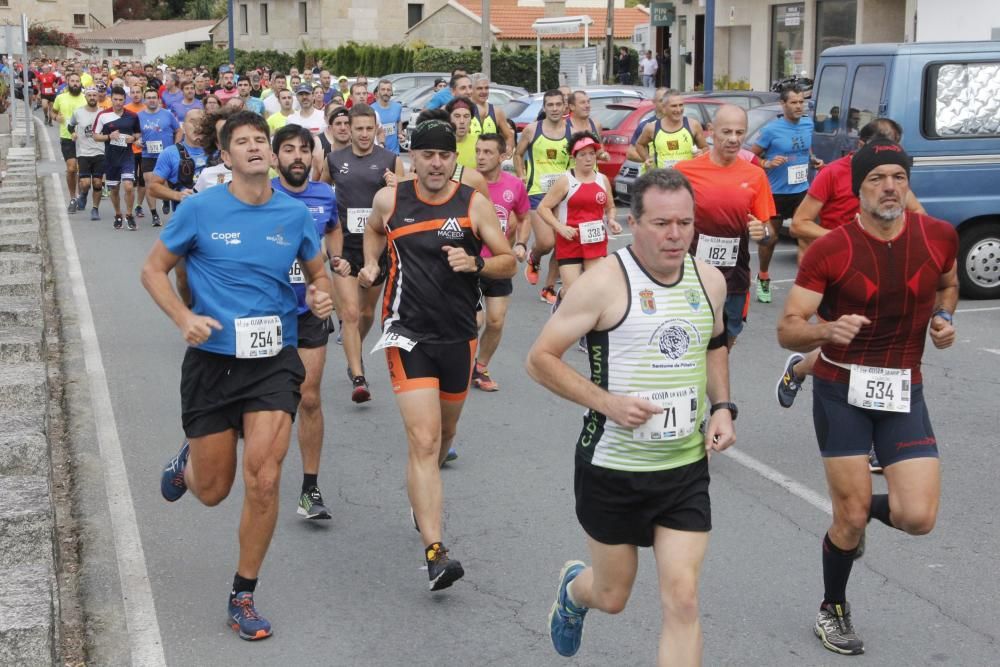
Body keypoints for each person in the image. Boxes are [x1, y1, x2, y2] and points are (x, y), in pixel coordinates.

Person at [525, 168, 735, 663]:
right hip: (612, 468)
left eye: (685, 223)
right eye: (662, 223)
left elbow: (715, 343)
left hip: (683, 469)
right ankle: (576, 591)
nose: (675, 235)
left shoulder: (708, 280)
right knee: (612, 597)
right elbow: (539, 359)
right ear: (630, 222)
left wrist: (723, 407)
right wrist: (608, 403)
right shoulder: (602, 284)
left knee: (682, 598)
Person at [142, 110, 334, 641]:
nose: (254, 148)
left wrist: (321, 296)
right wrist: (183, 318)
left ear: (271, 155)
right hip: (213, 362)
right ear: (225, 157)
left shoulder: (294, 215)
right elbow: (152, 269)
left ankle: (243, 595)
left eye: (260, 141)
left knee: (266, 478)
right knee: (212, 491)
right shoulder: (201, 210)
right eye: (241, 142)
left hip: (273, 361)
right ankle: (189, 462)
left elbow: (318, 276)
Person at [776, 139, 958, 656]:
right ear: (857, 188)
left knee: (917, 517)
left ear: (908, 184)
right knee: (851, 516)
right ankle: (832, 607)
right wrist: (825, 332)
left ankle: (850, 519)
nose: (889, 187)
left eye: (898, 178)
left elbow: (947, 285)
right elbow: (789, 329)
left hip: (903, 386)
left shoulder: (938, 236)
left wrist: (945, 320)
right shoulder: (832, 248)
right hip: (841, 388)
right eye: (877, 178)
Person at [359, 118, 515, 591]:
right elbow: (371, 228)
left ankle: (421, 494)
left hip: (458, 335)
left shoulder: (473, 203)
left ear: (454, 160)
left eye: (444, 156)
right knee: (424, 441)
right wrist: (371, 263)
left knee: (444, 437)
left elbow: (508, 258)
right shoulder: (392, 200)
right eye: (426, 155)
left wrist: (478, 263)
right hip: (407, 335)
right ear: (411, 158)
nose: (435, 163)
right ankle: (435, 551)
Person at [777, 118, 926, 408]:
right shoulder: (833, 174)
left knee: (876, 349)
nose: (886, 159)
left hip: (882, 274)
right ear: (861, 146)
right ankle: (801, 373)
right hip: (837, 275)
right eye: (878, 150)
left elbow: (919, 215)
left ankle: (871, 422)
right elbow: (799, 223)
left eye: (893, 150)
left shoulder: (891, 180)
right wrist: (845, 239)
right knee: (841, 347)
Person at [270, 124, 343, 520]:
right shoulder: (262, 195)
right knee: (257, 398)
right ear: (275, 156)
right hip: (265, 313)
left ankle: (309, 489)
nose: (297, 156)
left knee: (309, 396)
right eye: (288, 149)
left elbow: (332, 228)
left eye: (304, 149)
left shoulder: (323, 194)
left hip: (310, 311)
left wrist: (334, 260)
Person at [674, 105, 775, 348]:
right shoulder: (684, 172)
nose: (733, 139)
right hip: (690, 276)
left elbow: (769, 232)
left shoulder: (755, 175)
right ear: (711, 132)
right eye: (727, 132)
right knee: (689, 343)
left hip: (734, 277)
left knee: (724, 343)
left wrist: (764, 234)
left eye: (740, 133)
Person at [325, 103, 405, 402]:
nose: (362, 134)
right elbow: (321, 193)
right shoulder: (334, 159)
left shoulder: (390, 159)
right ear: (346, 128)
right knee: (349, 313)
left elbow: (406, 198)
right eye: (357, 128)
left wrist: (397, 186)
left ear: (376, 129)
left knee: (367, 312)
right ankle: (358, 375)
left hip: (377, 248)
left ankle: (353, 349)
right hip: (344, 248)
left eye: (368, 129)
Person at [749, 86, 824, 304]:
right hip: (775, 192)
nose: (799, 106)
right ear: (783, 105)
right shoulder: (772, 130)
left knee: (807, 235)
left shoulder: (808, 124)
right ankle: (763, 275)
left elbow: (806, 149)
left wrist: (812, 159)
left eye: (801, 102)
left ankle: (806, 283)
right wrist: (767, 163)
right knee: (770, 238)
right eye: (794, 102)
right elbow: (751, 157)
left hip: (801, 190)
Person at [472, 132, 529, 392]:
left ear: (502, 156)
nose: (481, 157)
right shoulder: (467, 183)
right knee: (475, 321)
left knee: (496, 321)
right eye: (478, 151)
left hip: (500, 262)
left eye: (487, 152)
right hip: (471, 263)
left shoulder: (514, 185)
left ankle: (480, 368)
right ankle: (457, 365)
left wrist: (521, 243)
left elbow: (524, 216)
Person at [536, 132, 620, 304]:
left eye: (591, 154)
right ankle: (561, 297)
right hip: (570, 241)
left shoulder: (602, 180)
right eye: (583, 155)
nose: (588, 158)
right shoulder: (565, 181)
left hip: (595, 240)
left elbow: (610, 207)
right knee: (573, 294)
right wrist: (560, 227)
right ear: (574, 157)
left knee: (595, 289)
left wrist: (611, 220)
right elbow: (543, 207)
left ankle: (590, 329)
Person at [514, 89, 571, 305]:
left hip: (563, 193)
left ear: (564, 107)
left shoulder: (571, 131)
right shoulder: (532, 130)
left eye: (559, 104)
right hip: (537, 191)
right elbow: (518, 153)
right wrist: (521, 175)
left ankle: (548, 288)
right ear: (545, 107)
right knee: (547, 242)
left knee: (562, 242)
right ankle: (535, 257)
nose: (555, 109)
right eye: (551, 105)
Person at [93, 86, 142, 231]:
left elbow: (138, 134)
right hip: (111, 158)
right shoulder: (103, 115)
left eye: (121, 100)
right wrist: (109, 136)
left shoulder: (132, 116)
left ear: (124, 100)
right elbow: (95, 136)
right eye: (115, 99)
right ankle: (118, 214)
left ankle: (129, 215)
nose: (118, 102)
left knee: (128, 186)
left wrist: (133, 138)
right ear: (111, 99)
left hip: (127, 156)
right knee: (114, 189)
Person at [137, 88, 181, 228]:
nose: (151, 100)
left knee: (165, 182)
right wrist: (136, 141)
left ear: (158, 99)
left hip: (166, 155)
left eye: (154, 97)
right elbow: (135, 135)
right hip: (148, 154)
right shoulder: (138, 116)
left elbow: (179, 130)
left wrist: (176, 146)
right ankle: (154, 214)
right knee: (150, 183)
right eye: (148, 97)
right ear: (144, 100)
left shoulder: (167, 115)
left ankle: (166, 199)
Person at [634, 89, 707, 173]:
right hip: (662, 180)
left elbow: (705, 148)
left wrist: (701, 153)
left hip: (687, 179)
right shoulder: (652, 128)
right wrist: (646, 158)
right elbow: (639, 144)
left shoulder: (693, 125)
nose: (679, 110)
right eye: (674, 106)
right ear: (664, 108)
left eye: (681, 105)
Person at [68, 87, 106, 221]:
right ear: (85, 97)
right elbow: (70, 125)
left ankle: (95, 209)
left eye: (94, 95)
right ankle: (83, 194)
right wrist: (72, 133)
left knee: (97, 183)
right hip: (83, 152)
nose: (92, 97)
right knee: (85, 183)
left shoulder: (103, 113)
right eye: (89, 95)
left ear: (98, 97)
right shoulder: (78, 112)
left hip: (100, 152)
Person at [52, 73, 87, 213]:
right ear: (67, 82)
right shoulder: (60, 98)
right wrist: (56, 118)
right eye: (72, 81)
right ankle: (73, 198)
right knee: (72, 168)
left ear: (80, 83)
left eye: (77, 81)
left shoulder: (86, 98)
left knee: (82, 171)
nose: (75, 83)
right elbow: (53, 113)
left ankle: (80, 196)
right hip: (66, 137)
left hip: (84, 138)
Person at [470, 73, 515, 157]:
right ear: (471, 90)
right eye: (479, 88)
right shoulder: (465, 110)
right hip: (469, 162)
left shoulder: (496, 111)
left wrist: (508, 150)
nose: (484, 92)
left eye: (486, 88)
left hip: (491, 163)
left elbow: (509, 136)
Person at [373, 79, 403, 154]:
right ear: (378, 91)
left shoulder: (398, 107)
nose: (386, 92)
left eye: (388, 90)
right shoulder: (371, 109)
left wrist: (399, 134)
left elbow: (398, 121)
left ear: (392, 92)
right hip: (378, 152)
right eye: (383, 89)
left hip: (394, 152)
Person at [447, 97, 478, 170]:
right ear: (449, 119)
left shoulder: (480, 143)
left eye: (466, 116)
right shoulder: (438, 143)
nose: (462, 121)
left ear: (471, 120)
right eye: (457, 116)